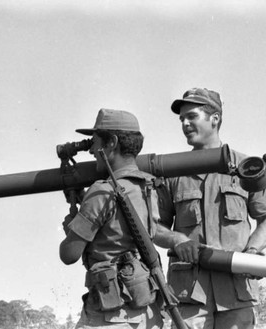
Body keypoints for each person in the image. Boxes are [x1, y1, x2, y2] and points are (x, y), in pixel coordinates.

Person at [59, 108, 194, 329]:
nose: (91, 150)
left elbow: (69, 254)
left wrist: (70, 229)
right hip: (147, 314)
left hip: (110, 318)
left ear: (111, 143)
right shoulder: (148, 187)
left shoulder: (102, 191)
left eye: (94, 142)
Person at [157, 88, 266, 329]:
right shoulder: (170, 172)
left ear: (215, 118)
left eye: (192, 116)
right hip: (189, 295)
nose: (185, 124)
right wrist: (178, 240)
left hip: (235, 294)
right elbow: (154, 226)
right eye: (182, 119)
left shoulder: (246, 168)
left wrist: (252, 251)